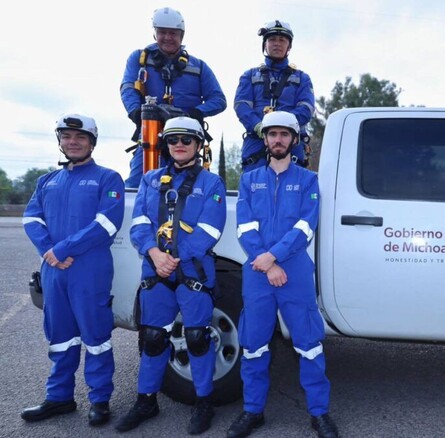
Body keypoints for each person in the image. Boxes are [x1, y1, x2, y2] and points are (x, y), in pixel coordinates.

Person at [228, 111, 338, 438]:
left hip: (294, 272)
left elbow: (306, 226)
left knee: (309, 344)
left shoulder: (307, 180)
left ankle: (319, 414)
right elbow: (245, 226)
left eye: (284, 135)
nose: (278, 140)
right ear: (265, 140)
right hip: (259, 272)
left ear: (293, 140)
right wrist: (266, 262)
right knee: (254, 345)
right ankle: (252, 412)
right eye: (272, 134)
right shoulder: (249, 180)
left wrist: (273, 257)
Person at [115, 116, 226, 435]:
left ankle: (204, 402)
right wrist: (154, 253)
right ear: (165, 144)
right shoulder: (150, 181)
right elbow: (139, 224)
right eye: (173, 139)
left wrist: (174, 257)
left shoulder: (211, 183)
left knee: (198, 338)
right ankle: (146, 401)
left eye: (187, 140)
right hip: (156, 270)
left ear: (198, 145)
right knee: (153, 338)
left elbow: (210, 228)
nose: (179, 145)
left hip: (192, 271)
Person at [22, 113, 125, 427]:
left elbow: (106, 224)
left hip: (89, 271)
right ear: (60, 141)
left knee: (96, 337)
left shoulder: (108, 178)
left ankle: (100, 399)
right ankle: (59, 398)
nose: (73, 142)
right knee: (60, 337)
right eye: (66, 136)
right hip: (54, 270)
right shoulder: (47, 181)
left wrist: (62, 250)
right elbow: (31, 219)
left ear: (92, 141)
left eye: (80, 137)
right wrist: (48, 252)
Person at [121, 6, 227, 188]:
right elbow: (128, 87)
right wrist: (136, 112)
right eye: (162, 32)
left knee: (189, 184)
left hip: (185, 136)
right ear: (155, 33)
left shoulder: (199, 67)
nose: (168, 37)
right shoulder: (139, 59)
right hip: (151, 133)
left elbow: (218, 99)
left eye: (173, 33)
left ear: (181, 35)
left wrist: (196, 113)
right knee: (137, 183)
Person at [234, 20, 315, 172]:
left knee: (293, 190)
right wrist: (259, 126)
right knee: (253, 189)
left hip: (291, 143)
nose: (277, 44)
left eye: (282, 40)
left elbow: (306, 109)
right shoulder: (249, 76)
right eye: (272, 40)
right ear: (265, 44)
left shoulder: (303, 78)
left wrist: (282, 126)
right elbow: (241, 106)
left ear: (289, 46)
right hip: (256, 142)